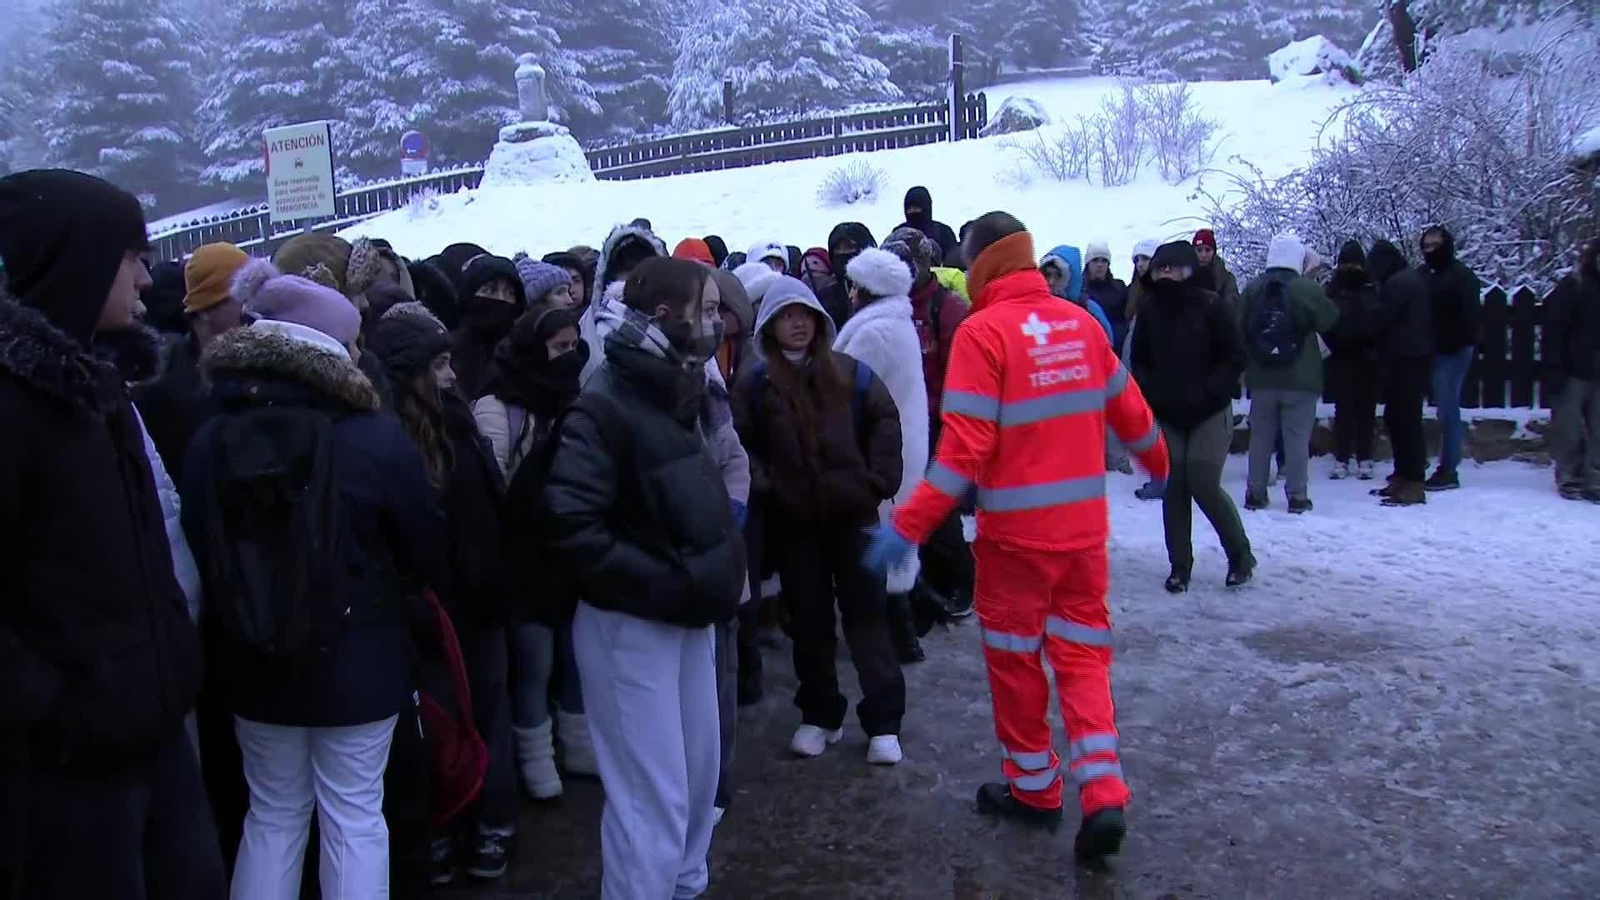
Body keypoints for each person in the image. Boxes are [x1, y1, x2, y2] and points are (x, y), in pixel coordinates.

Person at [861, 212, 1170, 866]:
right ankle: (1105, 791)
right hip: (1083, 538)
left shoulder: (983, 333)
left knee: (1017, 666)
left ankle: (1034, 791)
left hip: (1014, 546)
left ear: (979, 264)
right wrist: (1161, 464)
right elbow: (1131, 409)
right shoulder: (1081, 323)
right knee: (1084, 662)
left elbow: (964, 452)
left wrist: (906, 528)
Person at [183, 258, 444, 900]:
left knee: (271, 815)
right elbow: (425, 548)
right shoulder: (373, 436)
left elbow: (195, 538)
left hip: (251, 662)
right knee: (355, 817)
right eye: (354, 343)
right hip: (360, 662)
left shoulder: (209, 435)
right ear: (332, 351)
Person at [0, 168, 224, 899]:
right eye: (133, 256)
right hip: (73, 768)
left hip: (157, 728)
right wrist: (58, 710)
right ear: (81, 262)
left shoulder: (105, 389)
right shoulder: (16, 409)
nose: (148, 275)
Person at [543, 258, 744, 899]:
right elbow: (572, 526)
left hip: (685, 614)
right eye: (707, 310)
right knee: (647, 800)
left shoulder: (674, 387)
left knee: (693, 782)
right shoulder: (605, 402)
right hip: (633, 624)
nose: (717, 323)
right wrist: (664, 583)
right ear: (662, 318)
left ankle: (683, 889)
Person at [369, 301, 520, 884]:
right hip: (422, 610)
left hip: (476, 602)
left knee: (488, 712)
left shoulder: (456, 421)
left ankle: (492, 823)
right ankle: (442, 827)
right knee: (435, 726)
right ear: (408, 371)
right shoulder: (382, 435)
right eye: (438, 365)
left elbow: (488, 512)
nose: (452, 375)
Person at [733, 275, 906, 764]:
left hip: (857, 520)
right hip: (797, 525)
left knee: (868, 618)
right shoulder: (756, 385)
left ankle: (884, 723)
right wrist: (773, 487)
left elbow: (885, 421)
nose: (797, 324)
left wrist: (877, 481)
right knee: (808, 622)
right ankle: (820, 714)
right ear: (769, 325)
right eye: (787, 316)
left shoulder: (852, 373)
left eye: (805, 315)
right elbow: (740, 446)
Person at [476, 307, 589, 802]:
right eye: (557, 347)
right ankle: (535, 757)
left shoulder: (577, 402)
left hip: (571, 553)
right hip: (522, 558)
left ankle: (578, 746)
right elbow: (491, 488)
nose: (567, 357)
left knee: (577, 656)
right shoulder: (500, 408)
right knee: (535, 661)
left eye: (572, 347)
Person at [1129, 240, 1253, 591]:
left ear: (1189, 270)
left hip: (1209, 410)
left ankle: (1240, 556)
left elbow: (1235, 355)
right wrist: (1151, 391)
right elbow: (1139, 361)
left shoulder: (1211, 305)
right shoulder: (1150, 311)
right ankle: (1179, 565)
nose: (1166, 274)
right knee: (1174, 484)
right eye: (1160, 269)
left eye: (1173, 268)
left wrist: (1213, 389)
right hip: (1168, 412)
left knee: (1201, 479)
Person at [835, 248, 932, 666]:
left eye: (855, 284)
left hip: (885, 450)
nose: (850, 291)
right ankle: (902, 631)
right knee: (895, 538)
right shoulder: (896, 323)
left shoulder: (877, 332)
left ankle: (899, 637)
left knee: (885, 539)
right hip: (899, 445)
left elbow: (844, 387)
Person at [887, 226, 975, 621]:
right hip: (898, 425)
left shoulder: (948, 309)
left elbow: (964, 373)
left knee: (939, 511)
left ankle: (960, 584)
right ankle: (926, 587)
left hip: (938, 425)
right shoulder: (888, 306)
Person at [1239, 234, 1339, 513]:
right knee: (1296, 439)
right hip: (1301, 377)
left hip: (1261, 377)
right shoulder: (1306, 288)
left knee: (1260, 438)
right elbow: (1331, 319)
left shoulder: (1253, 288)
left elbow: (1238, 325)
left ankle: (1255, 493)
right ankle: (1296, 496)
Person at [134, 241, 250, 479]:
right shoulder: (166, 382)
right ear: (207, 306)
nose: (252, 306)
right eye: (243, 294)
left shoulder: (266, 359)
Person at [1367, 239, 1433, 507]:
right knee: (1400, 418)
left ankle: (1412, 480)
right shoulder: (1409, 279)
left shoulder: (1397, 284)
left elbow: (1382, 319)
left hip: (1405, 360)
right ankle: (1404, 476)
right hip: (1410, 358)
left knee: (1405, 421)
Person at [1420, 225, 1481, 491]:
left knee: (1448, 407)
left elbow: (1469, 319)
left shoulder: (1462, 277)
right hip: (1429, 349)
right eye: (1426, 245)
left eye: (1435, 244)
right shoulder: (1423, 275)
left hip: (1453, 350)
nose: (1430, 250)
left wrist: (1446, 343)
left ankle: (1449, 469)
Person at [1543, 238, 1600, 502]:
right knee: (1568, 429)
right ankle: (1569, 477)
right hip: (1573, 369)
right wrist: (1554, 367)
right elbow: (1554, 329)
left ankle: (1595, 479)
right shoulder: (1573, 286)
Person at [1323, 240, 1383, 480]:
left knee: (1366, 411)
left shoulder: (1371, 288)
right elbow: (1326, 321)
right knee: (1344, 410)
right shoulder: (1334, 289)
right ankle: (1342, 457)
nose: (1350, 268)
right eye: (1346, 263)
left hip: (1367, 356)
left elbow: (1379, 320)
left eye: (1354, 263)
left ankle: (1364, 457)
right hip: (1341, 357)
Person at [452, 255, 528, 400]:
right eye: (490, 290)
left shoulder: (524, 353)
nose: (501, 298)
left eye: (510, 293)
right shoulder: (446, 353)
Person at [1039, 245, 1114, 340]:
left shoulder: (1088, 308)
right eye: (1047, 275)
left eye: (1058, 275)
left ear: (1070, 277)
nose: (1051, 282)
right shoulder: (1035, 307)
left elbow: (1107, 344)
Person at [823, 222, 877, 329]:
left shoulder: (882, 291)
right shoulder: (826, 296)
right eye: (837, 248)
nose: (843, 252)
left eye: (849, 246)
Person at [898, 186, 963, 272]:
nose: (913, 211)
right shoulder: (898, 234)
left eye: (917, 207)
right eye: (909, 209)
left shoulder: (944, 233)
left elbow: (955, 266)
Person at [1082, 240, 1130, 356]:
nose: (1100, 264)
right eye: (1095, 260)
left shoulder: (1119, 287)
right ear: (1088, 263)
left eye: (1104, 260)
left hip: (1118, 350)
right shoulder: (1080, 292)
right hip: (1091, 350)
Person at [1189, 229, 1241, 310]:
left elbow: (1232, 309)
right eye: (1199, 250)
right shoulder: (1184, 275)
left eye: (1208, 250)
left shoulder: (1226, 279)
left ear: (1214, 252)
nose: (1203, 255)